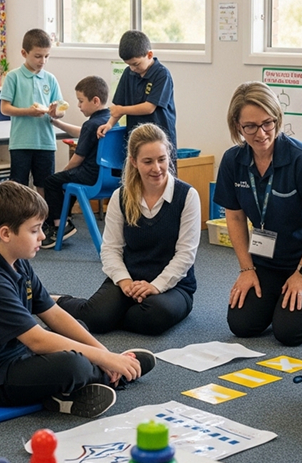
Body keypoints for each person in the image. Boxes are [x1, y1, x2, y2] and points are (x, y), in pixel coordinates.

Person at [0, 181, 155, 419]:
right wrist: (105, 359)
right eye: (34, 230)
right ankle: (101, 378)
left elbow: (55, 314)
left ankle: (95, 378)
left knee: (77, 327)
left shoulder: (19, 262)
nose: (41, 236)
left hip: (20, 354)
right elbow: (37, 340)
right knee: (74, 366)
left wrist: (105, 352)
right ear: (6, 233)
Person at [214, 81, 302, 347]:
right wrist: (246, 269)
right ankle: (285, 295)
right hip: (270, 257)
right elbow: (235, 216)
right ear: (237, 126)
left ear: (277, 118)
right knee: (242, 325)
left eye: (268, 123)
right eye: (250, 126)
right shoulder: (232, 161)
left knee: (289, 332)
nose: (261, 133)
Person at [56, 123, 200, 335]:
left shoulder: (187, 196)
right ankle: (57, 301)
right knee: (97, 319)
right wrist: (125, 282)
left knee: (155, 317)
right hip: (129, 280)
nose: (157, 168)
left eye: (162, 159)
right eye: (148, 162)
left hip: (173, 286)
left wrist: (155, 287)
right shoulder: (120, 197)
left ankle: (110, 312)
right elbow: (111, 249)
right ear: (133, 161)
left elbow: (185, 255)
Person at [41, 76, 111, 248]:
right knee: (67, 180)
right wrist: (57, 123)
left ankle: (60, 225)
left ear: (95, 101)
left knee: (52, 181)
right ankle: (66, 219)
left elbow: (77, 158)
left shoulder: (92, 124)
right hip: (111, 177)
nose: (78, 106)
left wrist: (63, 171)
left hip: (91, 176)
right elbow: (83, 132)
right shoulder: (108, 120)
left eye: (80, 101)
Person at [0, 29, 66, 196]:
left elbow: (60, 109)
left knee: (44, 184)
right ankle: (19, 220)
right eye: (38, 56)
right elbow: (5, 108)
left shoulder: (50, 79)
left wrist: (55, 112)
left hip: (45, 142)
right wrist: (28, 112)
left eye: (46, 56)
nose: (42, 61)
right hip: (21, 142)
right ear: (24, 53)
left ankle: (43, 221)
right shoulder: (13, 77)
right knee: (18, 186)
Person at [97, 30, 177, 164]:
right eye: (129, 65)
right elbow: (119, 106)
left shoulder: (162, 74)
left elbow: (149, 107)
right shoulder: (128, 74)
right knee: (136, 177)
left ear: (149, 54)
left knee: (161, 176)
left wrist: (122, 110)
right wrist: (109, 124)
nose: (133, 68)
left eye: (136, 64)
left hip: (160, 139)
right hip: (136, 139)